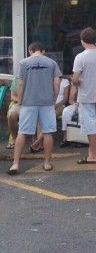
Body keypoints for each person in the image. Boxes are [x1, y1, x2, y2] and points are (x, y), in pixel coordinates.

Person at [7, 42, 61, 175]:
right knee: (48, 132)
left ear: (30, 50)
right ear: (42, 51)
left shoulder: (24, 63)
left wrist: (20, 100)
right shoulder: (51, 63)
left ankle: (15, 164)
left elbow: (20, 84)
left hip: (28, 102)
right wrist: (53, 98)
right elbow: (57, 83)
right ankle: (47, 163)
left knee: (22, 132)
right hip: (46, 102)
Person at [72, 27, 96, 164]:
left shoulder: (80, 57)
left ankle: (94, 155)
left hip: (86, 95)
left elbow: (75, 79)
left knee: (90, 126)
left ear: (82, 40)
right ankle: (91, 153)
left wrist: (76, 83)